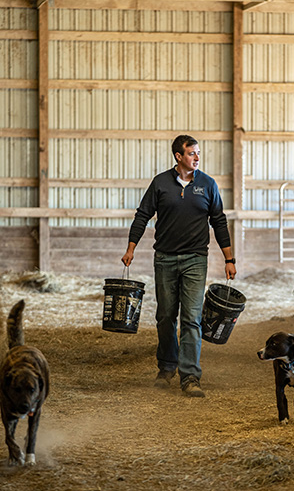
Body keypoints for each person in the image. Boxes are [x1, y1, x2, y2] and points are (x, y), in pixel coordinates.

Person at [121, 135, 236, 398]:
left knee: (192, 318)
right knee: (165, 316)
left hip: (196, 259)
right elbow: (143, 215)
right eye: (192, 153)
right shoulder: (160, 183)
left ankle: (190, 375)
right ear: (178, 156)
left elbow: (219, 221)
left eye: (198, 153)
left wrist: (230, 260)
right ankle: (166, 366)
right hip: (164, 258)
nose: (197, 157)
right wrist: (131, 248)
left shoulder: (208, 184)